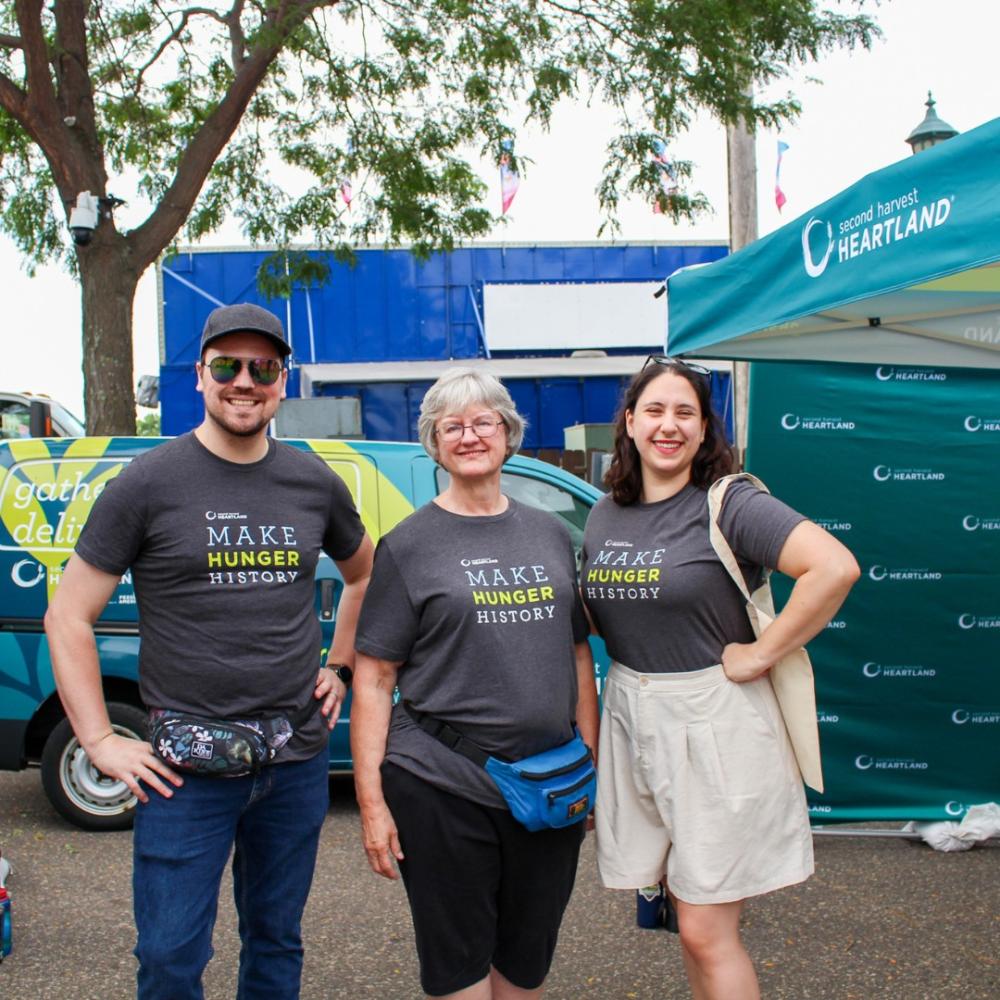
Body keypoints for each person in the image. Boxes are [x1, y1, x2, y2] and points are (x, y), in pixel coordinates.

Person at [44, 303, 374, 1000]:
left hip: (294, 762)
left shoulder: (313, 482)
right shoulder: (146, 483)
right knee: (168, 959)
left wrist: (340, 664)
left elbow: (365, 573)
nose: (245, 381)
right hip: (181, 774)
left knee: (276, 944)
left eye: (264, 367)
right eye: (227, 365)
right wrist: (99, 738)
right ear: (200, 376)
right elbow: (68, 616)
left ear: (283, 381)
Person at [581, 356, 860, 1000]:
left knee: (708, 927)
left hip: (716, 724)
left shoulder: (730, 501)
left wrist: (761, 655)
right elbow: (602, 615)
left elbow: (833, 568)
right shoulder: (605, 514)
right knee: (687, 920)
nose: (669, 425)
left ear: (706, 430)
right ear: (629, 422)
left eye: (686, 413)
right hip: (634, 714)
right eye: (654, 410)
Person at [351, 368, 599, 1000]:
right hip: (441, 784)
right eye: (451, 426)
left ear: (508, 433)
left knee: (525, 964)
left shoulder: (547, 532)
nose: (468, 436)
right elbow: (375, 679)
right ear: (433, 443)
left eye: (483, 421)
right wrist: (374, 804)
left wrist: (590, 764)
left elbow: (577, 654)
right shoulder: (407, 545)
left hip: (548, 784)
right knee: (460, 969)